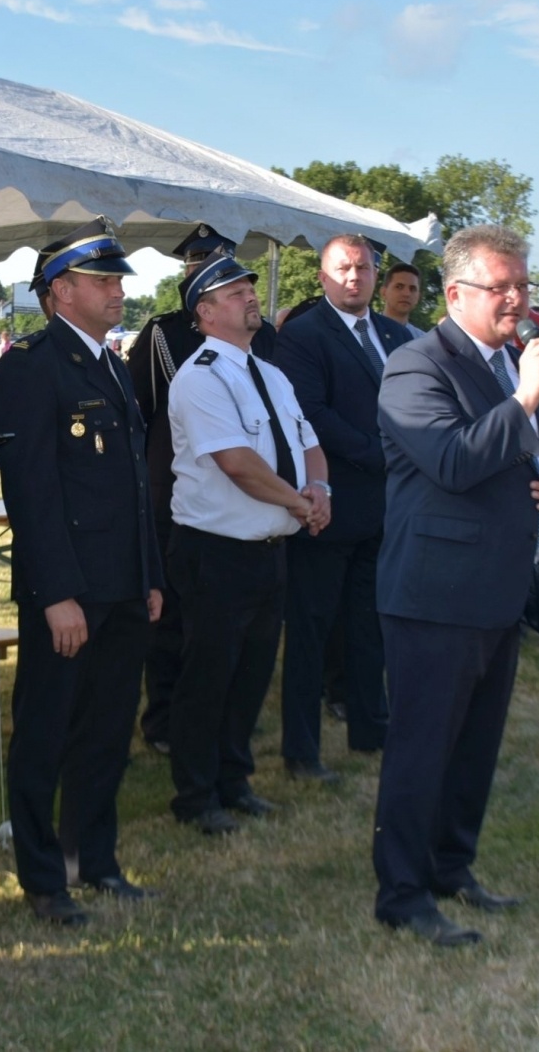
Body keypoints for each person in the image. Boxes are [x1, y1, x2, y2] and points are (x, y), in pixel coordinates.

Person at [372, 224, 539, 949]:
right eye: (503, 286)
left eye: (523, 284)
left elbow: (537, 456)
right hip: (434, 590)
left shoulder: (511, 364)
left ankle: (451, 864)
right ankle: (401, 891)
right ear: (456, 292)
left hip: (498, 585)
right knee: (423, 746)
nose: (518, 298)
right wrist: (524, 400)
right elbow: (456, 462)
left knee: (476, 746)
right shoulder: (414, 367)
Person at [0, 217, 164, 926]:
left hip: (122, 585)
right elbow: (31, 492)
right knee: (46, 730)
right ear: (60, 290)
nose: (119, 290)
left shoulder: (112, 364)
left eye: (118, 279)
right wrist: (57, 593)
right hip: (70, 590)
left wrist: (150, 574)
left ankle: (95, 856)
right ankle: (44, 875)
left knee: (106, 729)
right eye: (104, 280)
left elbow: (135, 486)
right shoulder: (31, 365)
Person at [165, 250, 329, 834]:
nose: (249, 297)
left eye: (249, 290)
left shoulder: (273, 374)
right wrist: (299, 501)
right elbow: (236, 463)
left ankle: (234, 781)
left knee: (251, 674)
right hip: (217, 550)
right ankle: (196, 795)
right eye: (234, 293)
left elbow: (307, 440)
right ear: (205, 313)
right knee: (208, 676)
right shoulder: (201, 377)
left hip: (269, 548)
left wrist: (321, 488)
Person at [123, 224, 276, 756]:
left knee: (239, 632)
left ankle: (224, 725)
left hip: (253, 501)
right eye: (198, 264)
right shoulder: (164, 334)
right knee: (172, 620)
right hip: (177, 486)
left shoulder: (265, 334)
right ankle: (164, 717)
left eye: (219, 261)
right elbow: (138, 409)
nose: (207, 269)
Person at [275, 234, 412, 782]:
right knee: (309, 631)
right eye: (342, 269)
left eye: (362, 267)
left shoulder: (396, 335)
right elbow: (310, 415)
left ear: (376, 274)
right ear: (322, 278)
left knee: (369, 625)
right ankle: (301, 751)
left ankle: (370, 727)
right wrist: (383, 454)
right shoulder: (303, 337)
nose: (354, 277)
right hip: (326, 505)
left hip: (384, 509)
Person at [378, 262, 425, 340]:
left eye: (412, 289)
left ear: (418, 297)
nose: (406, 294)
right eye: (399, 287)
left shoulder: (423, 341)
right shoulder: (367, 332)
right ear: (384, 292)